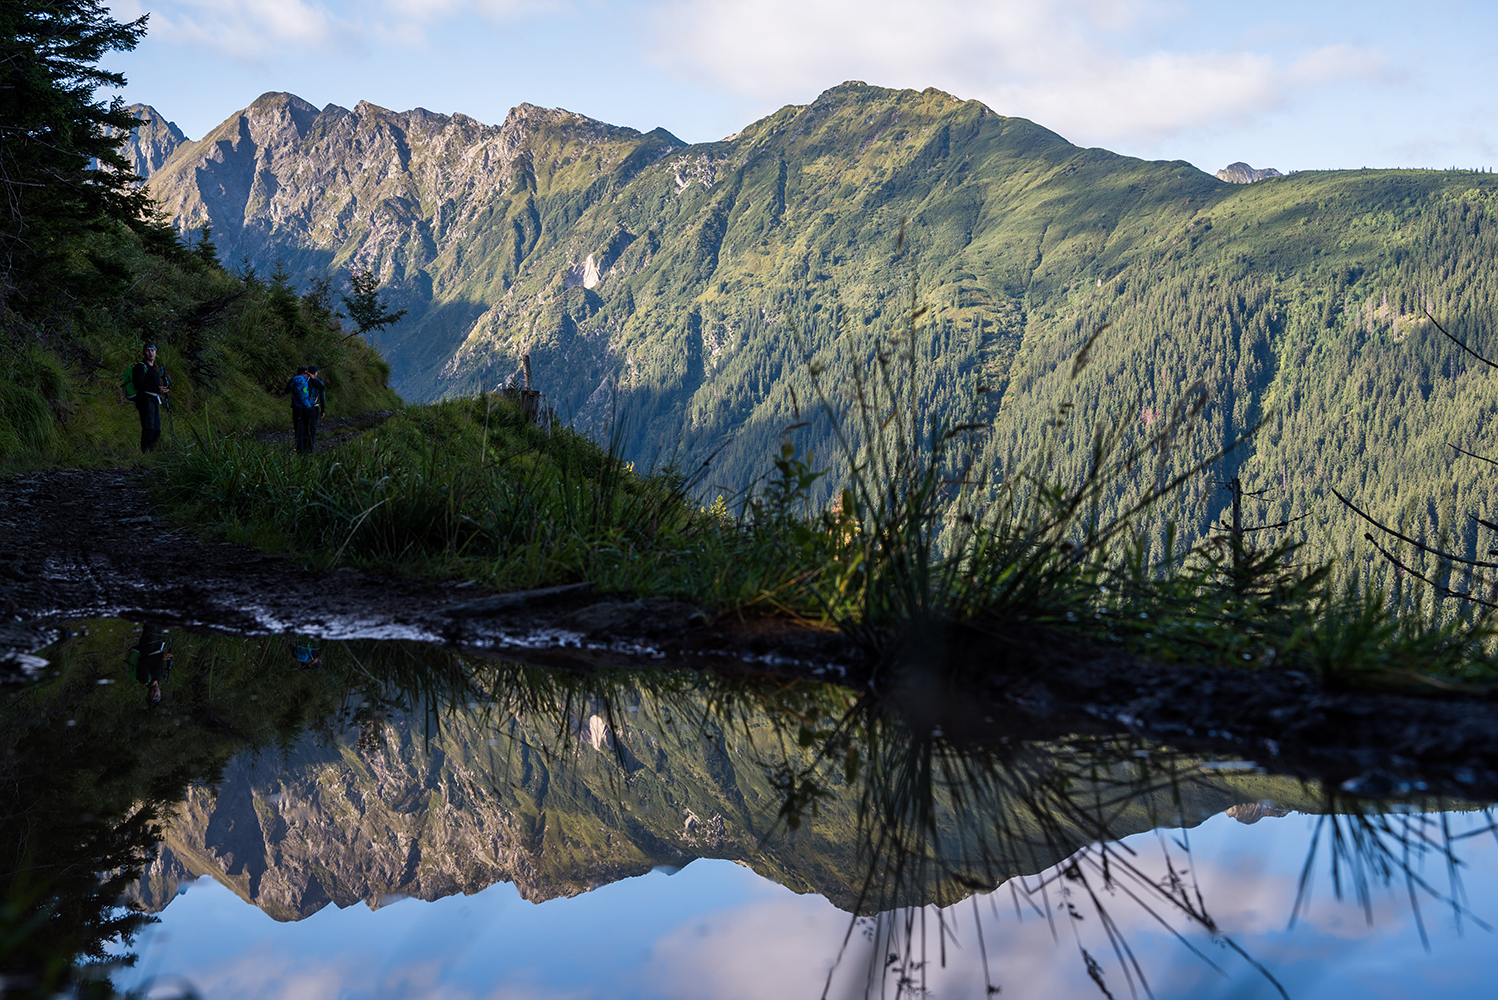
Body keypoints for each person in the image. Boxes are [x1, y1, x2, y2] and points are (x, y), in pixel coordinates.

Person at [131, 344, 170, 452]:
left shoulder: (154, 368)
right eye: (147, 351)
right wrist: (157, 389)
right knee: (149, 428)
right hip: (145, 399)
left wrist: (162, 389)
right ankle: (145, 453)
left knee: (156, 429)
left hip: (154, 399)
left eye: (152, 350)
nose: (150, 352)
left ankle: (151, 452)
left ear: (155, 353)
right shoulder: (140, 367)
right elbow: (138, 384)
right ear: (144, 353)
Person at [133, 624, 174, 706]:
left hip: (148, 646)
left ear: (149, 693)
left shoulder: (144, 679)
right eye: (157, 695)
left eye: (153, 695)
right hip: (158, 646)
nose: (155, 693)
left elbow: (142, 661)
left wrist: (161, 657)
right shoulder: (159, 679)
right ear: (160, 692)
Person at [287, 366, 312, 453]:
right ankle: (308, 450)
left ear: (297, 372)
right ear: (307, 373)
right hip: (307, 408)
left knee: (298, 430)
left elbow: (286, 390)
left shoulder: (294, 380)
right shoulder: (308, 380)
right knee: (307, 429)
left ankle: (299, 450)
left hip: (296, 408)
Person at [305, 365, 327, 451]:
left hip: (303, 407)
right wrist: (323, 410)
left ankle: (302, 449)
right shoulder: (318, 382)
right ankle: (311, 449)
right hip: (314, 408)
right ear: (315, 373)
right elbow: (322, 397)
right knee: (313, 429)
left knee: (304, 428)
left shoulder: (303, 381)